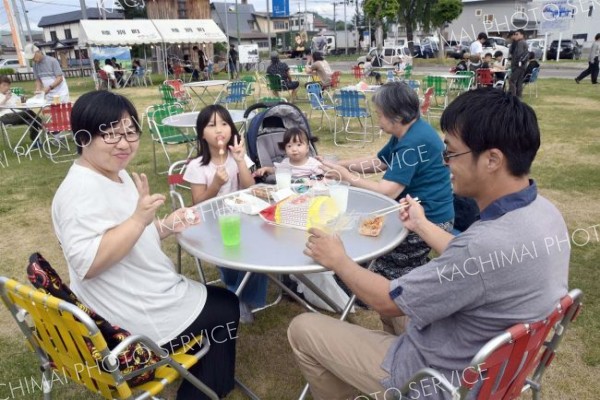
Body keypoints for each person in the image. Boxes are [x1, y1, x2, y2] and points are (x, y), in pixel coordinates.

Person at [288, 87, 570, 400]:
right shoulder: (546, 214)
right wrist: (421, 224)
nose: (444, 163)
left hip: (436, 378)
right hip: (495, 369)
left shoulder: (483, 245)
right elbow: (480, 265)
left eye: (450, 152)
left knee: (303, 329)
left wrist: (339, 260)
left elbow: (386, 299)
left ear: (492, 159)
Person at [51, 91, 239, 400]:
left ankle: (207, 377)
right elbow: (89, 263)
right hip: (127, 323)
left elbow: (128, 235)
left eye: (129, 132)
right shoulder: (79, 192)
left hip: (140, 294)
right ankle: (205, 392)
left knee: (220, 303)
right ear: (83, 136)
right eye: (109, 134)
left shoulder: (113, 172)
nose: (123, 143)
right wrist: (139, 218)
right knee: (226, 307)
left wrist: (165, 225)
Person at [321, 81, 454, 325]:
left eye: (380, 115)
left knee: (364, 255)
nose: (377, 119)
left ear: (397, 116)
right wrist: (341, 165)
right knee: (359, 241)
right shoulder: (409, 131)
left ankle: (388, 300)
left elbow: (388, 191)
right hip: (416, 212)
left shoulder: (413, 142)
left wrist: (348, 177)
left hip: (429, 220)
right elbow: (379, 162)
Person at [183, 104, 268, 324]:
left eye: (224, 123)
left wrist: (240, 160)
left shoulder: (237, 157)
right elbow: (198, 204)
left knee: (260, 244)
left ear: (231, 129)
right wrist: (215, 185)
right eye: (211, 125)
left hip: (244, 216)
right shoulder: (196, 167)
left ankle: (244, 294)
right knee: (232, 250)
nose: (219, 129)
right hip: (213, 222)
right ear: (202, 133)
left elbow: (250, 189)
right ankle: (236, 292)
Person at [253, 127, 322, 179]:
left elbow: (324, 176)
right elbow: (276, 170)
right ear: (285, 150)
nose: (294, 149)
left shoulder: (313, 164)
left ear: (307, 148)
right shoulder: (285, 163)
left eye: (299, 145)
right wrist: (266, 169)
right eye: (289, 146)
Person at [0, 76, 44, 147]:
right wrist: (5, 99)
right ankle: (44, 126)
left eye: (8, 85)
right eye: (4, 85)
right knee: (29, 113)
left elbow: (21, 104)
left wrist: (24, 100)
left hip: (18, 115)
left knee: (32, 120)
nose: (7, 87)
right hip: (4, 117)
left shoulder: (12, 95)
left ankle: (36, 142)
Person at [509, 29, 530, 98]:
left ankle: (513, 96)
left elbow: (518, 55)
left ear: (522, 35)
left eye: (517, 34)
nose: (515, 36)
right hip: (523, 66)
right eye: (515, 34)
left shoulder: (520, 43)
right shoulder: (524, 42)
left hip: (518, 66)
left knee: (512, 80)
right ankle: (519, 96)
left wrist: (514, 64)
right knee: (519, 81)